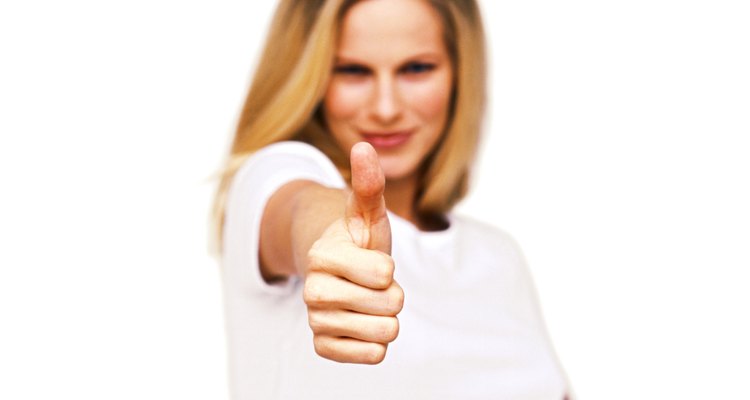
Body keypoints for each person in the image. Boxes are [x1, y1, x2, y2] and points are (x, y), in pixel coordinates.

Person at [214, 0, 571, 398]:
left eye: (416, 68)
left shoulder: (497, 256)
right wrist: (337, 241)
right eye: (352, 71)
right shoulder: (269, 176)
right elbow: (298, 210)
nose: (386, 108)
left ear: (459, 73)